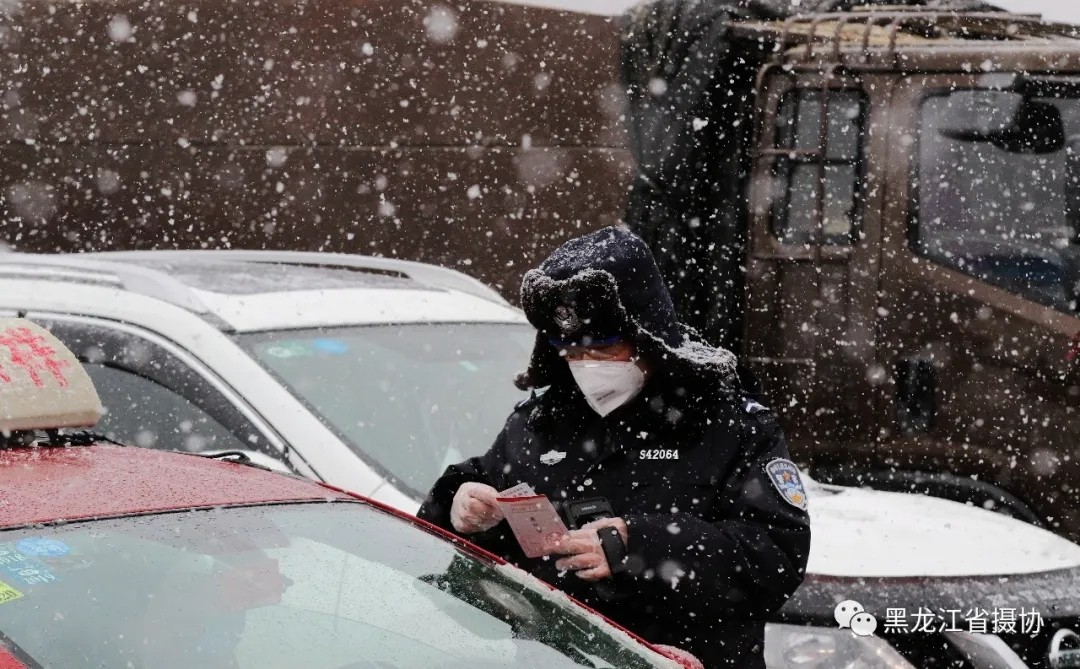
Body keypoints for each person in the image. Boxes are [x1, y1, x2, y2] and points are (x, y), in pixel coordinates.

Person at [418, 226, 810, 668]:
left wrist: (639, 546)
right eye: (571, 353)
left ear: (646, 336)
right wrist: (461, 507)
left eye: (602, 352)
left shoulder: (729, 424)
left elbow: (776, 556)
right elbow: (470, 516)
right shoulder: (541, 421)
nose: (586, 368)